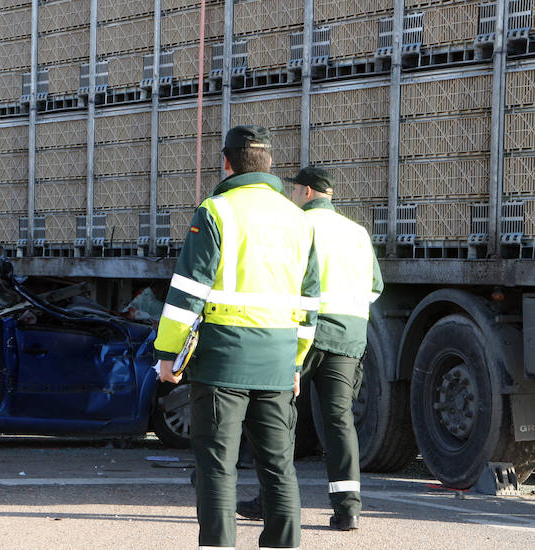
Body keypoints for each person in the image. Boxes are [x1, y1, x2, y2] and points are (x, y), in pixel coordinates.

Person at [156, 125, 320, 549]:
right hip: (278, 359)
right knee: (279, 467)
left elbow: (187, 292)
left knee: (217, 466)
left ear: (226, 164)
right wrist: (297, 361)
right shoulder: (298, 221)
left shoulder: (217, 211)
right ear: (269, 167)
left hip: (222, 358)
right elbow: (309, 303)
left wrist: (168, 355)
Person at [237, 166, 383, 531]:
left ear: (304, 192)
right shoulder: (358, 232)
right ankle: (348, 509)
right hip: (349, 335)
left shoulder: (298, 225)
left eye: (293, 191)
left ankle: (272, 501)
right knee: (339, 421)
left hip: (303, 330)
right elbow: (375, 287)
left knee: (277, 414)